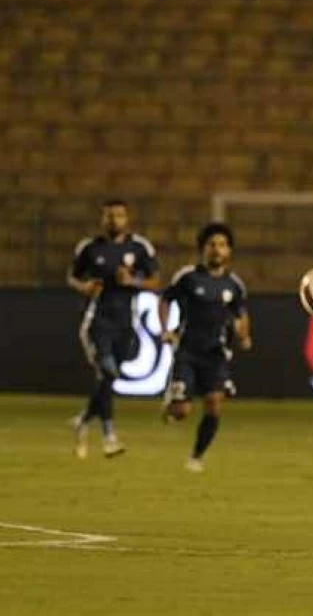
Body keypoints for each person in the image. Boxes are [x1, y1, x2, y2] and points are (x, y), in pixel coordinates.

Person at [68, 199, 160, 459]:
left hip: (125, 323)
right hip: (98, 321)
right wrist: (84, 287)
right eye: (109, 215)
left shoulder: (139, 248)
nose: (114, 220)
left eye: (119, 215)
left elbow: (155, 282)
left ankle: (83, 420)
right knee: (107, 371)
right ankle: (109, 436)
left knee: (107, 379)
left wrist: (133, 281)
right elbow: (73, 276)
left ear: (126, 219)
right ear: (102, 219)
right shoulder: (90, 248)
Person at [159, 223, 251, 473]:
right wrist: (165, 329)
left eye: (222, 245)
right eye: (212, 244)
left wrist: (244, 334)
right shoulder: (188, 277)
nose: (217, 249)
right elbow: (165, 299)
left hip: (216, 354)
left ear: (229, 250)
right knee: (182, 411)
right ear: (203, 249)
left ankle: (196, 457)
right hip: (187, 351)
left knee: (214, 403)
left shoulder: (234, 284)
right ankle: (172, 402)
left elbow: (241, 313)